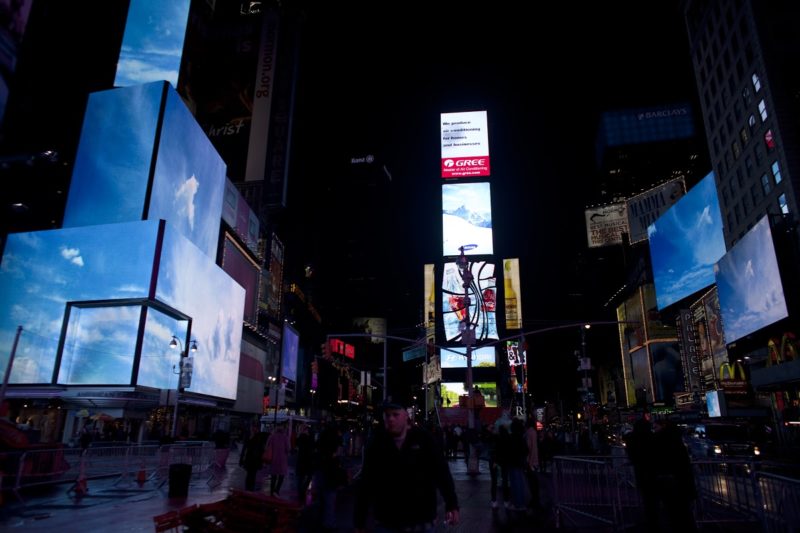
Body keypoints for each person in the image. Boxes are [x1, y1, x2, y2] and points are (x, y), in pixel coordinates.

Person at [354, 396, 460, 532]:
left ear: (406, 416)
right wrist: (359, 521)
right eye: (387, 415)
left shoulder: (424, 439)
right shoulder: (376, 443)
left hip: (421, 520)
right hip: (387, 521)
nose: (390, 419)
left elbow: (442, 474)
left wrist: (452, 505)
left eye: (395, 414)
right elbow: (366, 483)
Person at [264, 422, 291, 497]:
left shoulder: (272, 436)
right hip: (282, 460)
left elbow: (266, 447)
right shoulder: (285, 437)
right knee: (281, 476)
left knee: (273, 477)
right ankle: (277, 490)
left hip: (273, 459)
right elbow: (288, 449)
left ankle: (272, 492)